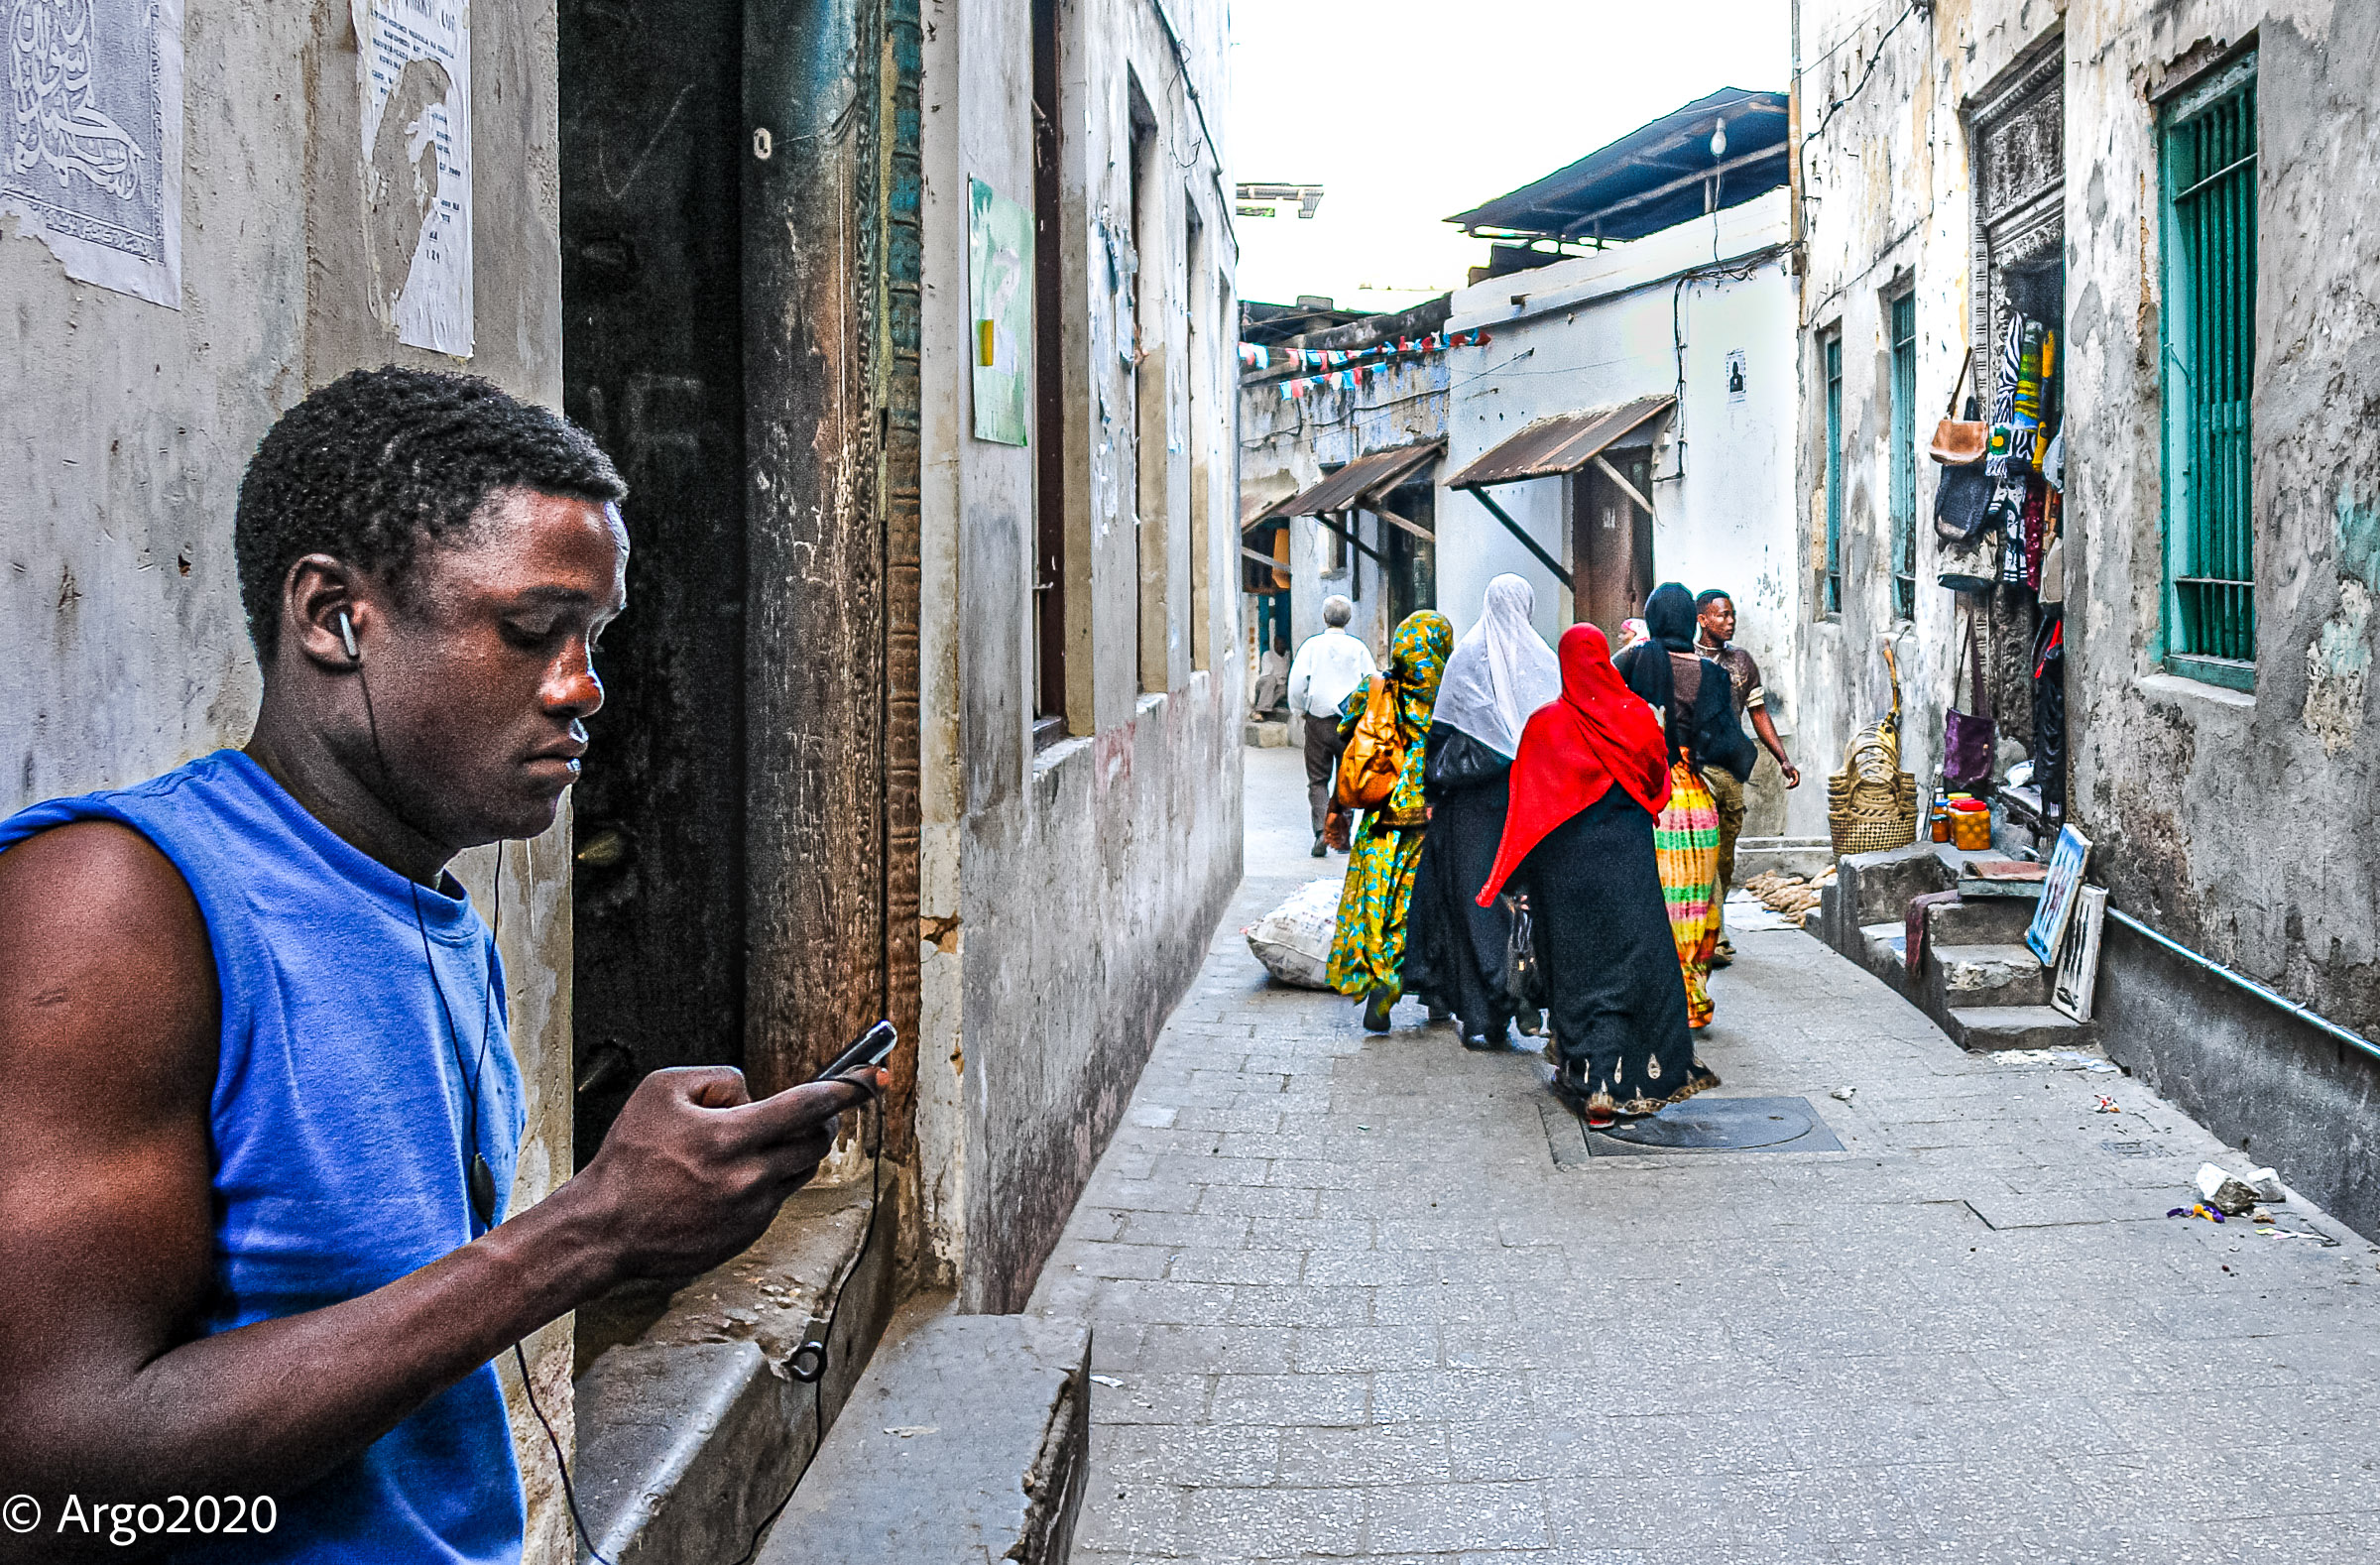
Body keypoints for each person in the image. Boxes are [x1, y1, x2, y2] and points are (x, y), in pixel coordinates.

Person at [0, 368, 878, 1562]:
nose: (583, 686)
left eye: (594, 637)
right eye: (529, 632)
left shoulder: (424, 901)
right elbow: (53, 1469)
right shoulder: (117, 902)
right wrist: (587, 1237)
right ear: (330, 617)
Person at [1476, 624, 1720, 1128]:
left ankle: (1591, 1079)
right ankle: (1620, 1076)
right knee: (1631, 966)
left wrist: (1517, 882)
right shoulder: (1635, 718)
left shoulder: (1545, 726)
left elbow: (1526, 807)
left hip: (1565, 876)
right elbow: (1659, 780)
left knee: (1578, 971)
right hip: (1628, 865)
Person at [1402, 575, 1559, 1050]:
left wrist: (1430, 794)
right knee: (1525, 899)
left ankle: (1479, 1015)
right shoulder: (1542, 661)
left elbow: (1441, 732)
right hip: (1527, 802)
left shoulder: (1467, 656)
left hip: (1470, 807)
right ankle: (1522, 991)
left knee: (1472, 903)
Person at [1611, 583, 1757, 1029]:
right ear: (1689, 620)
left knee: (1651, 898)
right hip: (1696, 800)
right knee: (1694, 899)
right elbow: (1730, 743)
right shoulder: (1713, 675)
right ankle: (1692, 998)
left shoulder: (1632, 662)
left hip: (1646, 799)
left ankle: (1648, 995)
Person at [1324, 609, 1454, 1031]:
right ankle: (1436, 996)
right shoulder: (1452, 693)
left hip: (1382, 818)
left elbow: (1346, 730)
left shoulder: (1379, 686)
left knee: (1380, 903)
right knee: (1432, 905)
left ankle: (1381, 985)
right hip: (1436, 819)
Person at [1692, 588, 1801, 967]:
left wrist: (1783, 759)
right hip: (1699, 770)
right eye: (1721, 615)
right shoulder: (1687, 661)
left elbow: (1758, 714)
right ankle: (1715, 940)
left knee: (1724, 858)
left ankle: (1713, 929)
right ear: (1702, 620)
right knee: (1704, 856)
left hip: (1730, 772)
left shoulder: (1741, 662)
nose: (1730, 621)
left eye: (1732, 614)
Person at [1285, 595, 1377, 857]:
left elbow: (1297, 683)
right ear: (1348, 619)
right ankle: (1339, 834)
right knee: (1345, 779)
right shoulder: (1358, 648)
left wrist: (1299, 710)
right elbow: (1371, 682)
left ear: (1325, 618)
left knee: (1317, 779)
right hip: (1350, 724)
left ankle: (1320, 832)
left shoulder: (1312, 647)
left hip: (1319, 720)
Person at [1251, 632, 1291, 716]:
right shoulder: (1268, 654)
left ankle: (1267, 709)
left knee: (1283, 689)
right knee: (1271, 680)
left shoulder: (1287, 656)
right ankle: (1260, 709)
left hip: (1278, 684)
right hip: (1265, 683)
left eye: (1282, 644)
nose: (1279, 646)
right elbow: (1268, 673)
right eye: (1277, 644)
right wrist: (1280, 678)